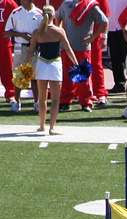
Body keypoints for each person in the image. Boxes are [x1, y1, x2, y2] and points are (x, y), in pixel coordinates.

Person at [27, 5, 77, 134]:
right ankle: (52, 127)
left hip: (41, 64)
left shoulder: (37, 32)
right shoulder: (59, 31)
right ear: (54, 16)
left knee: (42, 98)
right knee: (55, 99)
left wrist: (25, 67)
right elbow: (68, 49)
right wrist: (76, 64)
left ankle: (42, 125)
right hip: (55, 64)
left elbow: (31, 51)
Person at [57, 0, 107, 112]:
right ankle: (65, 101)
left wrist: (93, 38)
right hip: (67, 47)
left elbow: (104, 21)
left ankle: (85, 101)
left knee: (83, 75)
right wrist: (59, 32)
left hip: (83, 47)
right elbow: (58, 16)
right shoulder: (66, 4)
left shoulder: (91, 5)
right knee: (66, 74)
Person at [5, 0, 41, 112]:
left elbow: (44, 30)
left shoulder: (39, 13)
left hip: (35, 48)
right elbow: (7, 31)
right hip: (20, 46)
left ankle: (37, 102)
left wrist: (36, 39)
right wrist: (22, 35)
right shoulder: (16, 12)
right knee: (19, 74)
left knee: (35, 76)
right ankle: (17, 101)